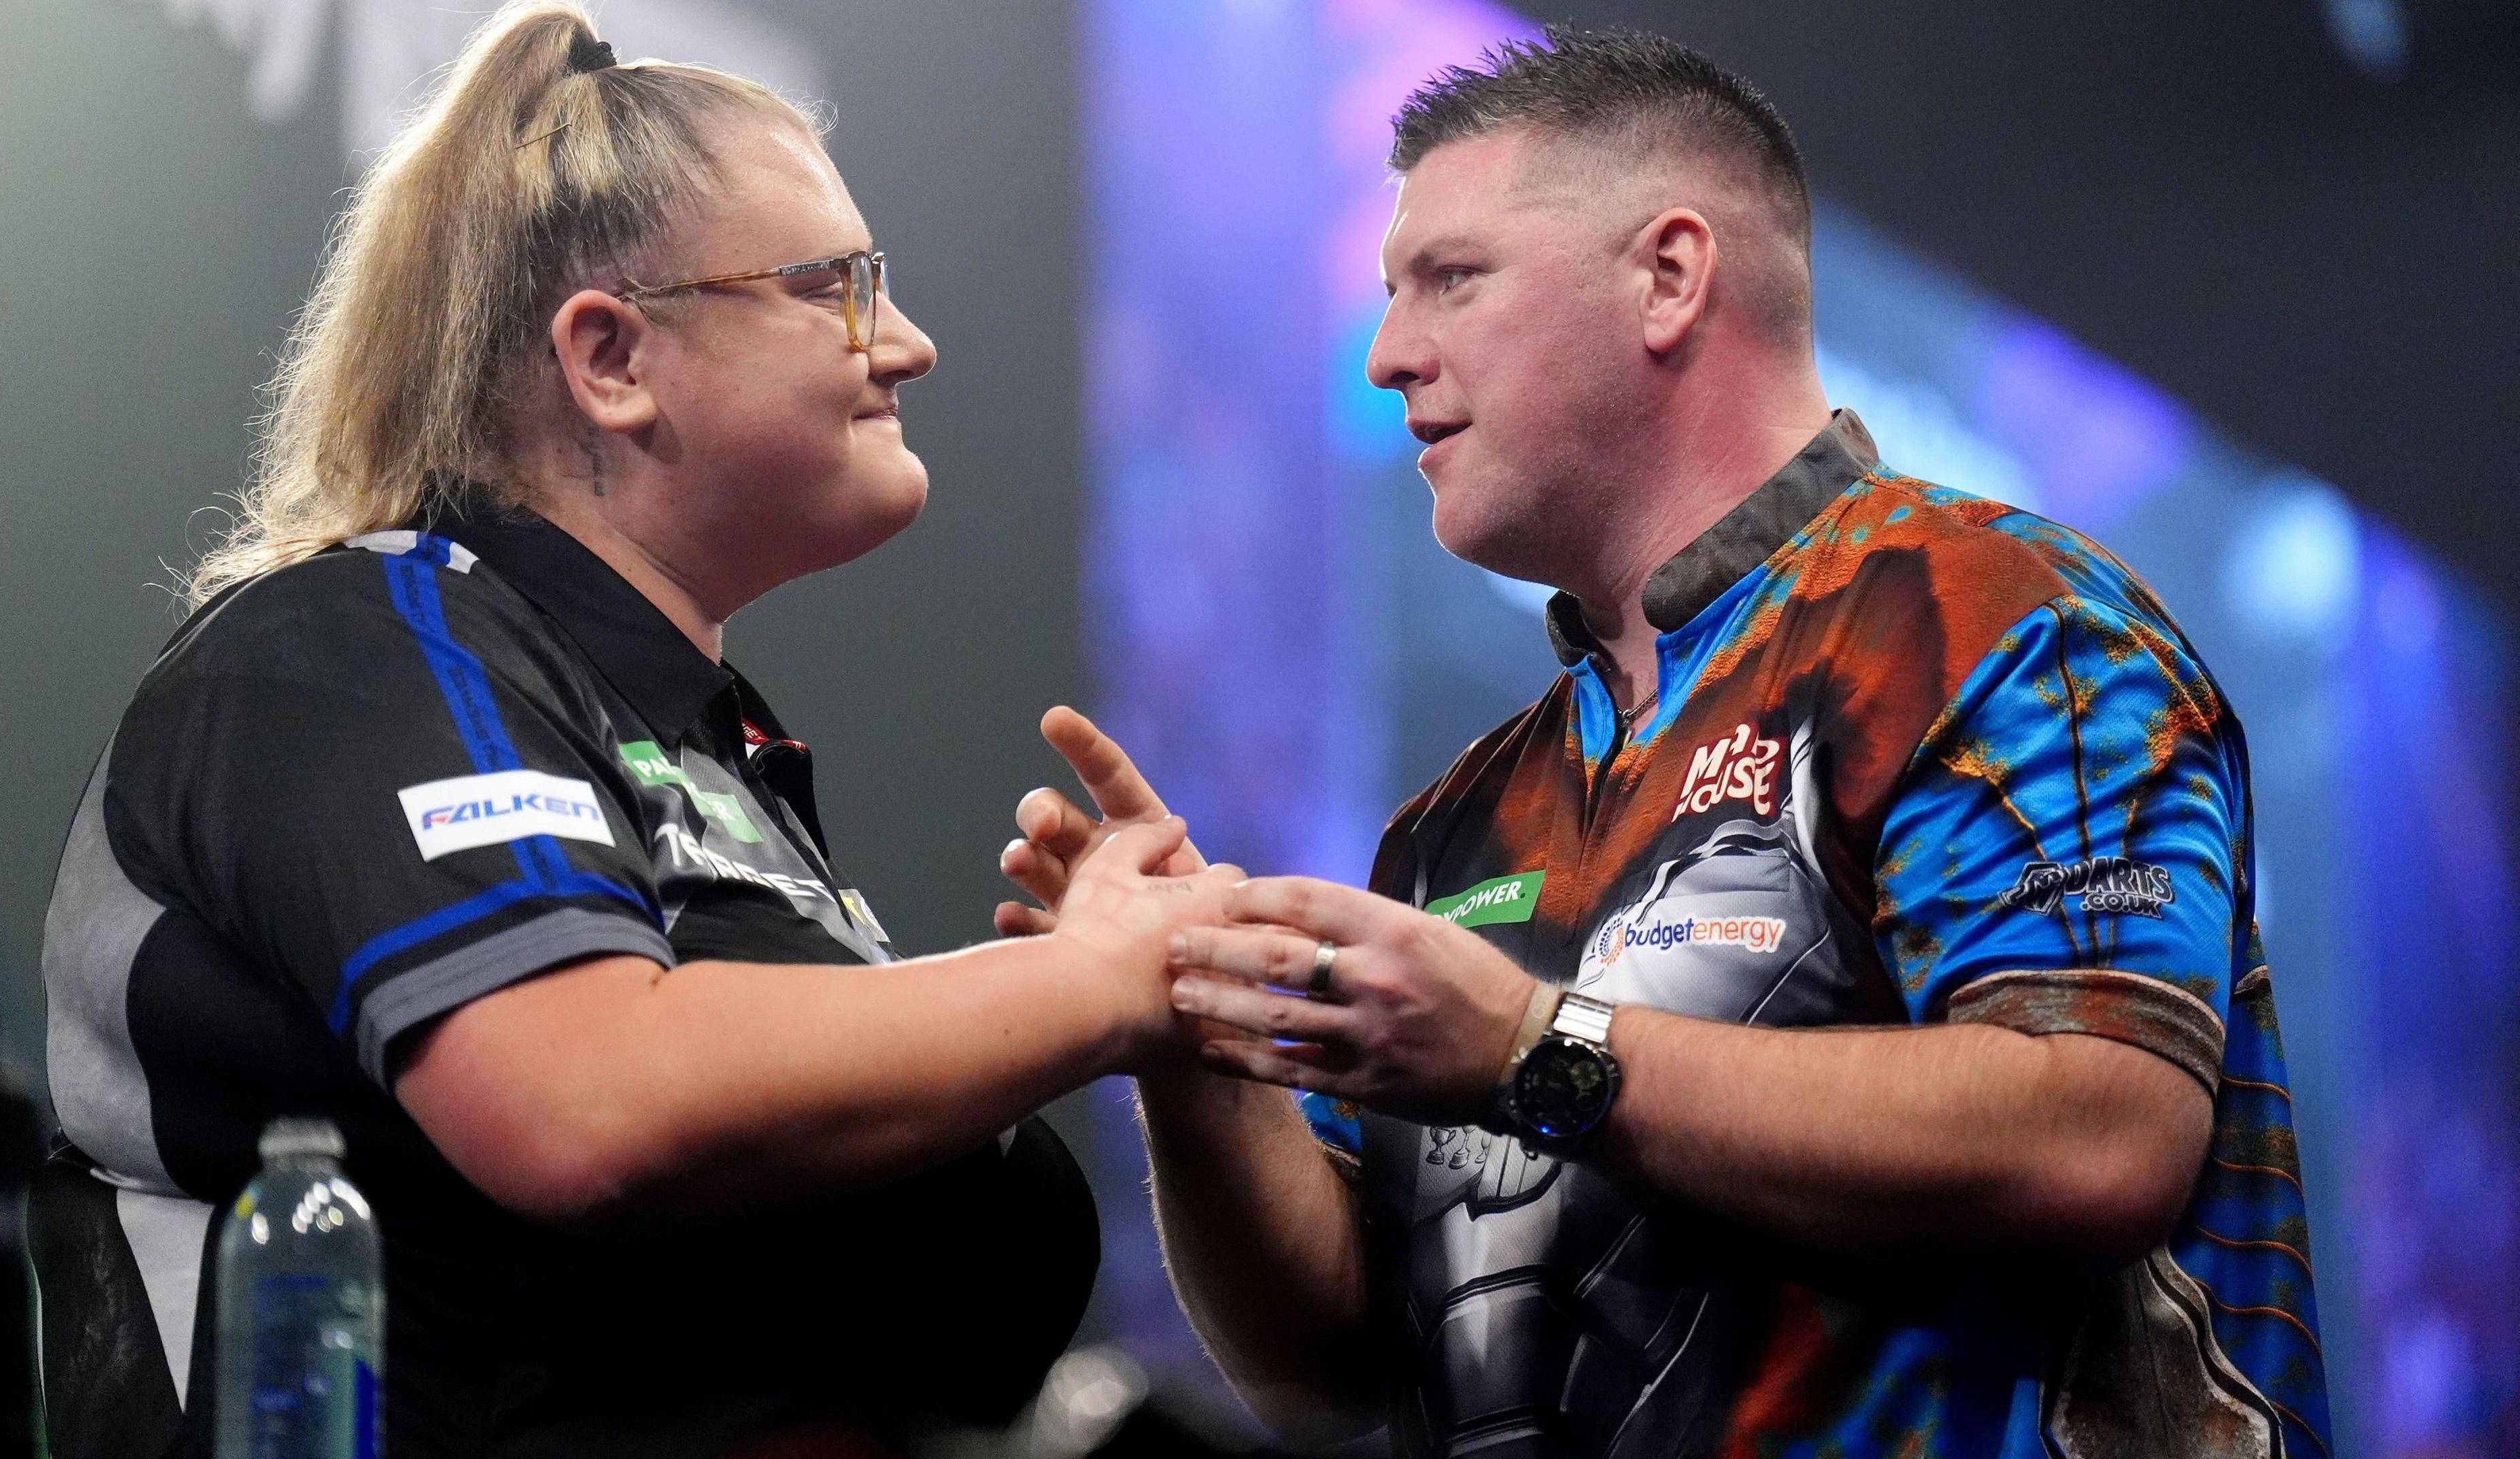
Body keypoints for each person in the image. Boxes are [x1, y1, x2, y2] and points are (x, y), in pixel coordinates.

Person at [999, 28, 2331, 1459]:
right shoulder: (1463, 819)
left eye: (1451, 278)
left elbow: (2100, 1136)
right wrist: (1186, 1046)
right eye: (1391, 292)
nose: (1389, 353)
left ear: (1670, 276)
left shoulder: (1999, 619)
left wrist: (1529, 1049)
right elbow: (1331, 1365)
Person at [30, 7, 1236, 1457]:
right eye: (836, 286)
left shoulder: (703, 746)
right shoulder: (355, 648)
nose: (907, 343)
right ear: (609, 357)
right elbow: (584, 1107)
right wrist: (1099, 988)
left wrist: (1089, 1008)